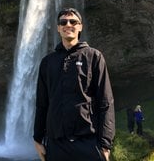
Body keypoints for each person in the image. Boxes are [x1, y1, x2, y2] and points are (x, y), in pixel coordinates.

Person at [33, 8, 115, 161]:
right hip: (56, 143)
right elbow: (42, 103)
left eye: (73, 22)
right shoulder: (47, 62)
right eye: (63, 22)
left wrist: (105, 144)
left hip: (88, 141)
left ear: (80, 27)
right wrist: (37, 139)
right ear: (58, 28)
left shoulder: (94, 56)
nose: (68, 24)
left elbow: (106, 102)